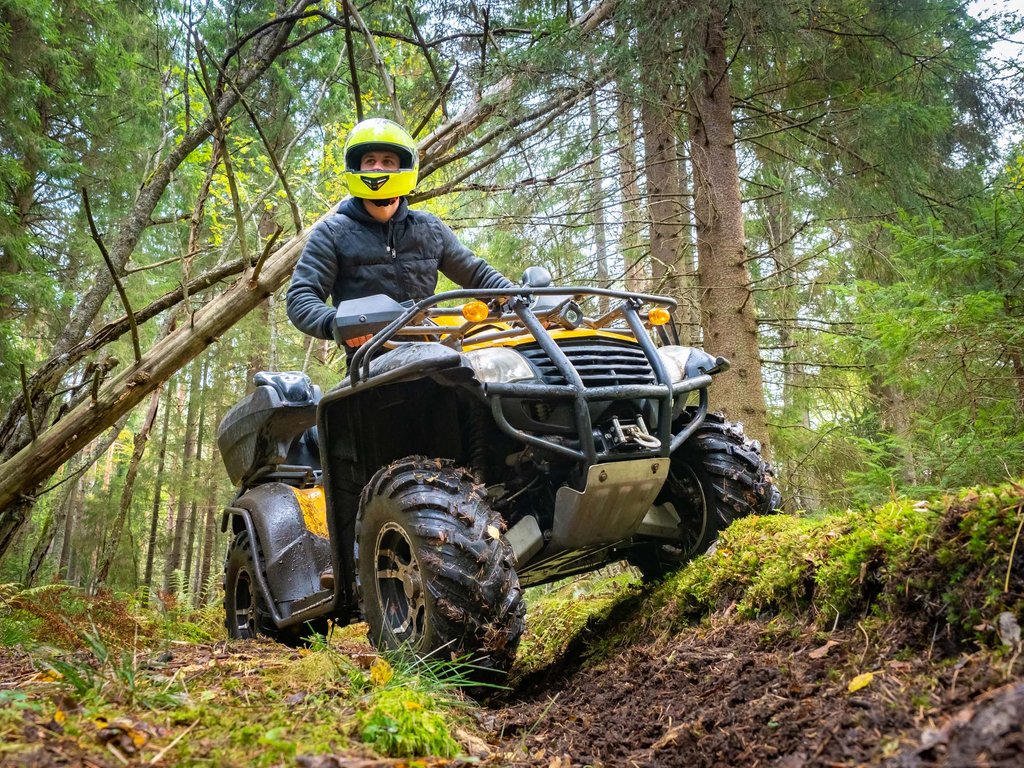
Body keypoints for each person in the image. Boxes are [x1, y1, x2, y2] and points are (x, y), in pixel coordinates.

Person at [286, 117, 512, 350]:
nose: (377, 167)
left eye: (388, 161)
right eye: (370, 160)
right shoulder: (332, 233)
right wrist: (337, 323)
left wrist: (517, 300)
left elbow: (477, 274)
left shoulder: (429, 228)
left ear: (402, 167)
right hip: (370, 361)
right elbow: (302, 296)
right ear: (357, 166)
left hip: (434, 353)